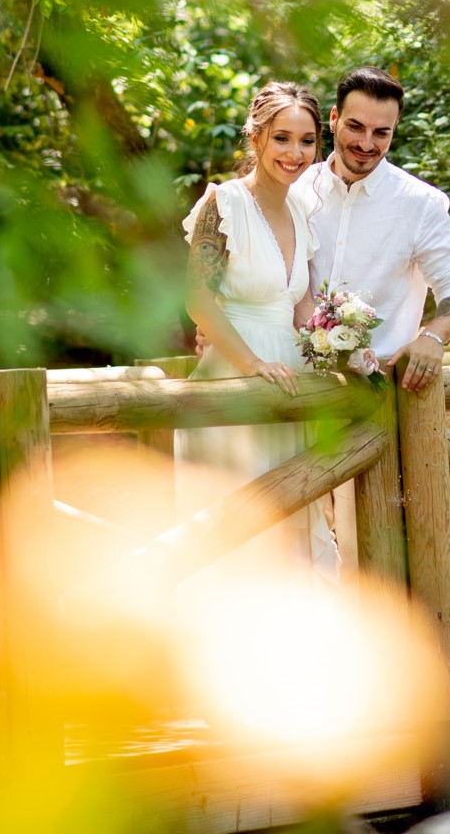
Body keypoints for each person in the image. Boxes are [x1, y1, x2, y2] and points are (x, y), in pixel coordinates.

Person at [178, 81, 338, 577]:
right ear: (257, 138)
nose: (295, 153)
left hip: (290, 377)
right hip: (237, 376)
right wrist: (252, 364)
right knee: (242, 534)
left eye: (307, 140)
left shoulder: (301, 211)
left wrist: (328, 350)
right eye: (282, 138)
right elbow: (196, 297)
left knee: (291, 528)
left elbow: (299, 301)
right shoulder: (223, 204)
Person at [293, 67, 450, 395]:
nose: (366, 143)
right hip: (295, 384)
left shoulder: (421, 203)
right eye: (355, 127)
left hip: (380, 392)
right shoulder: (296, 189)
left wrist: (432, 336)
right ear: (334, 118)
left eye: (381, 133)